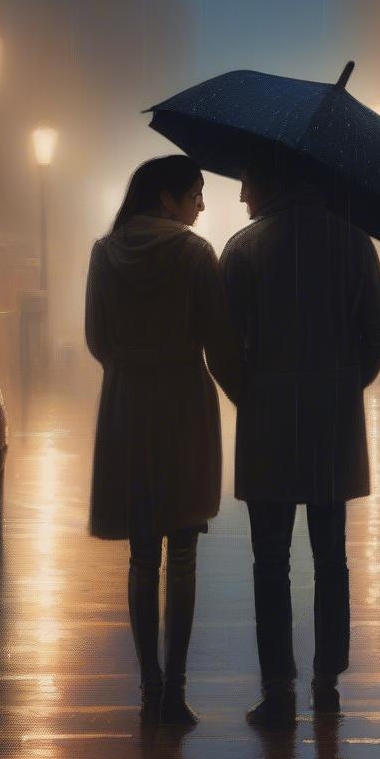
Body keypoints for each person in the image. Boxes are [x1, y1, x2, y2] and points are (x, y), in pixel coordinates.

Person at [219, 149, 380, 728]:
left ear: (269, 181)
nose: (241, 195)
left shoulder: (244, 250)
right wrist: (346, 383)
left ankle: (278, 689)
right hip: (331, 425)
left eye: (246, 180)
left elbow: (219, 342)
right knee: (330, 557)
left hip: (268, 424)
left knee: (269, 560)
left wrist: (251, 393)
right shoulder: (354, 242)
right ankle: (327, 678)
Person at [85, 155, 239, 727]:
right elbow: (218, 339)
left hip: (127, 408)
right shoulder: (196, 254)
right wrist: (247, 393)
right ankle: (175, 690)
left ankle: (147, 686)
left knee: (142, 555)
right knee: (185, 553)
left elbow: (96, 338)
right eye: (196, 194)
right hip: (182, 406)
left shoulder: (105, 253)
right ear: (168, 199)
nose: (202, 205)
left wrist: (131, 367)